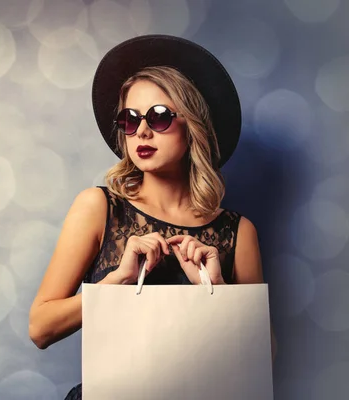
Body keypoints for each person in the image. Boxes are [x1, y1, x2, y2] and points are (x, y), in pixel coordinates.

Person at [28, 35, 277, 399]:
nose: (141, 130)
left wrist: (218, 291)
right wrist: (118, 281)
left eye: (159, 117)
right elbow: (40, 328)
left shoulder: (238, 232)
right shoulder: (98, 207)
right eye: (129, 119)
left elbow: (265, 358)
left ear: (193, 127)